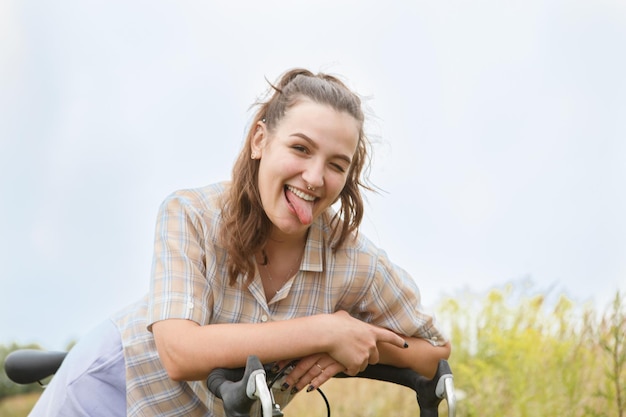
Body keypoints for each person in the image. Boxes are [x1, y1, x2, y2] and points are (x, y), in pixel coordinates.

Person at [30, 68, 451, 417]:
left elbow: (433, 351)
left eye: (336, 165)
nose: (315, 177)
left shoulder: (356, 262)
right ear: (259, 141)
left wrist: (352, 345)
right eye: (300, 148)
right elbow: (179, 351)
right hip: (112, 388)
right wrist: (323, 331)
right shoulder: (189, 213)